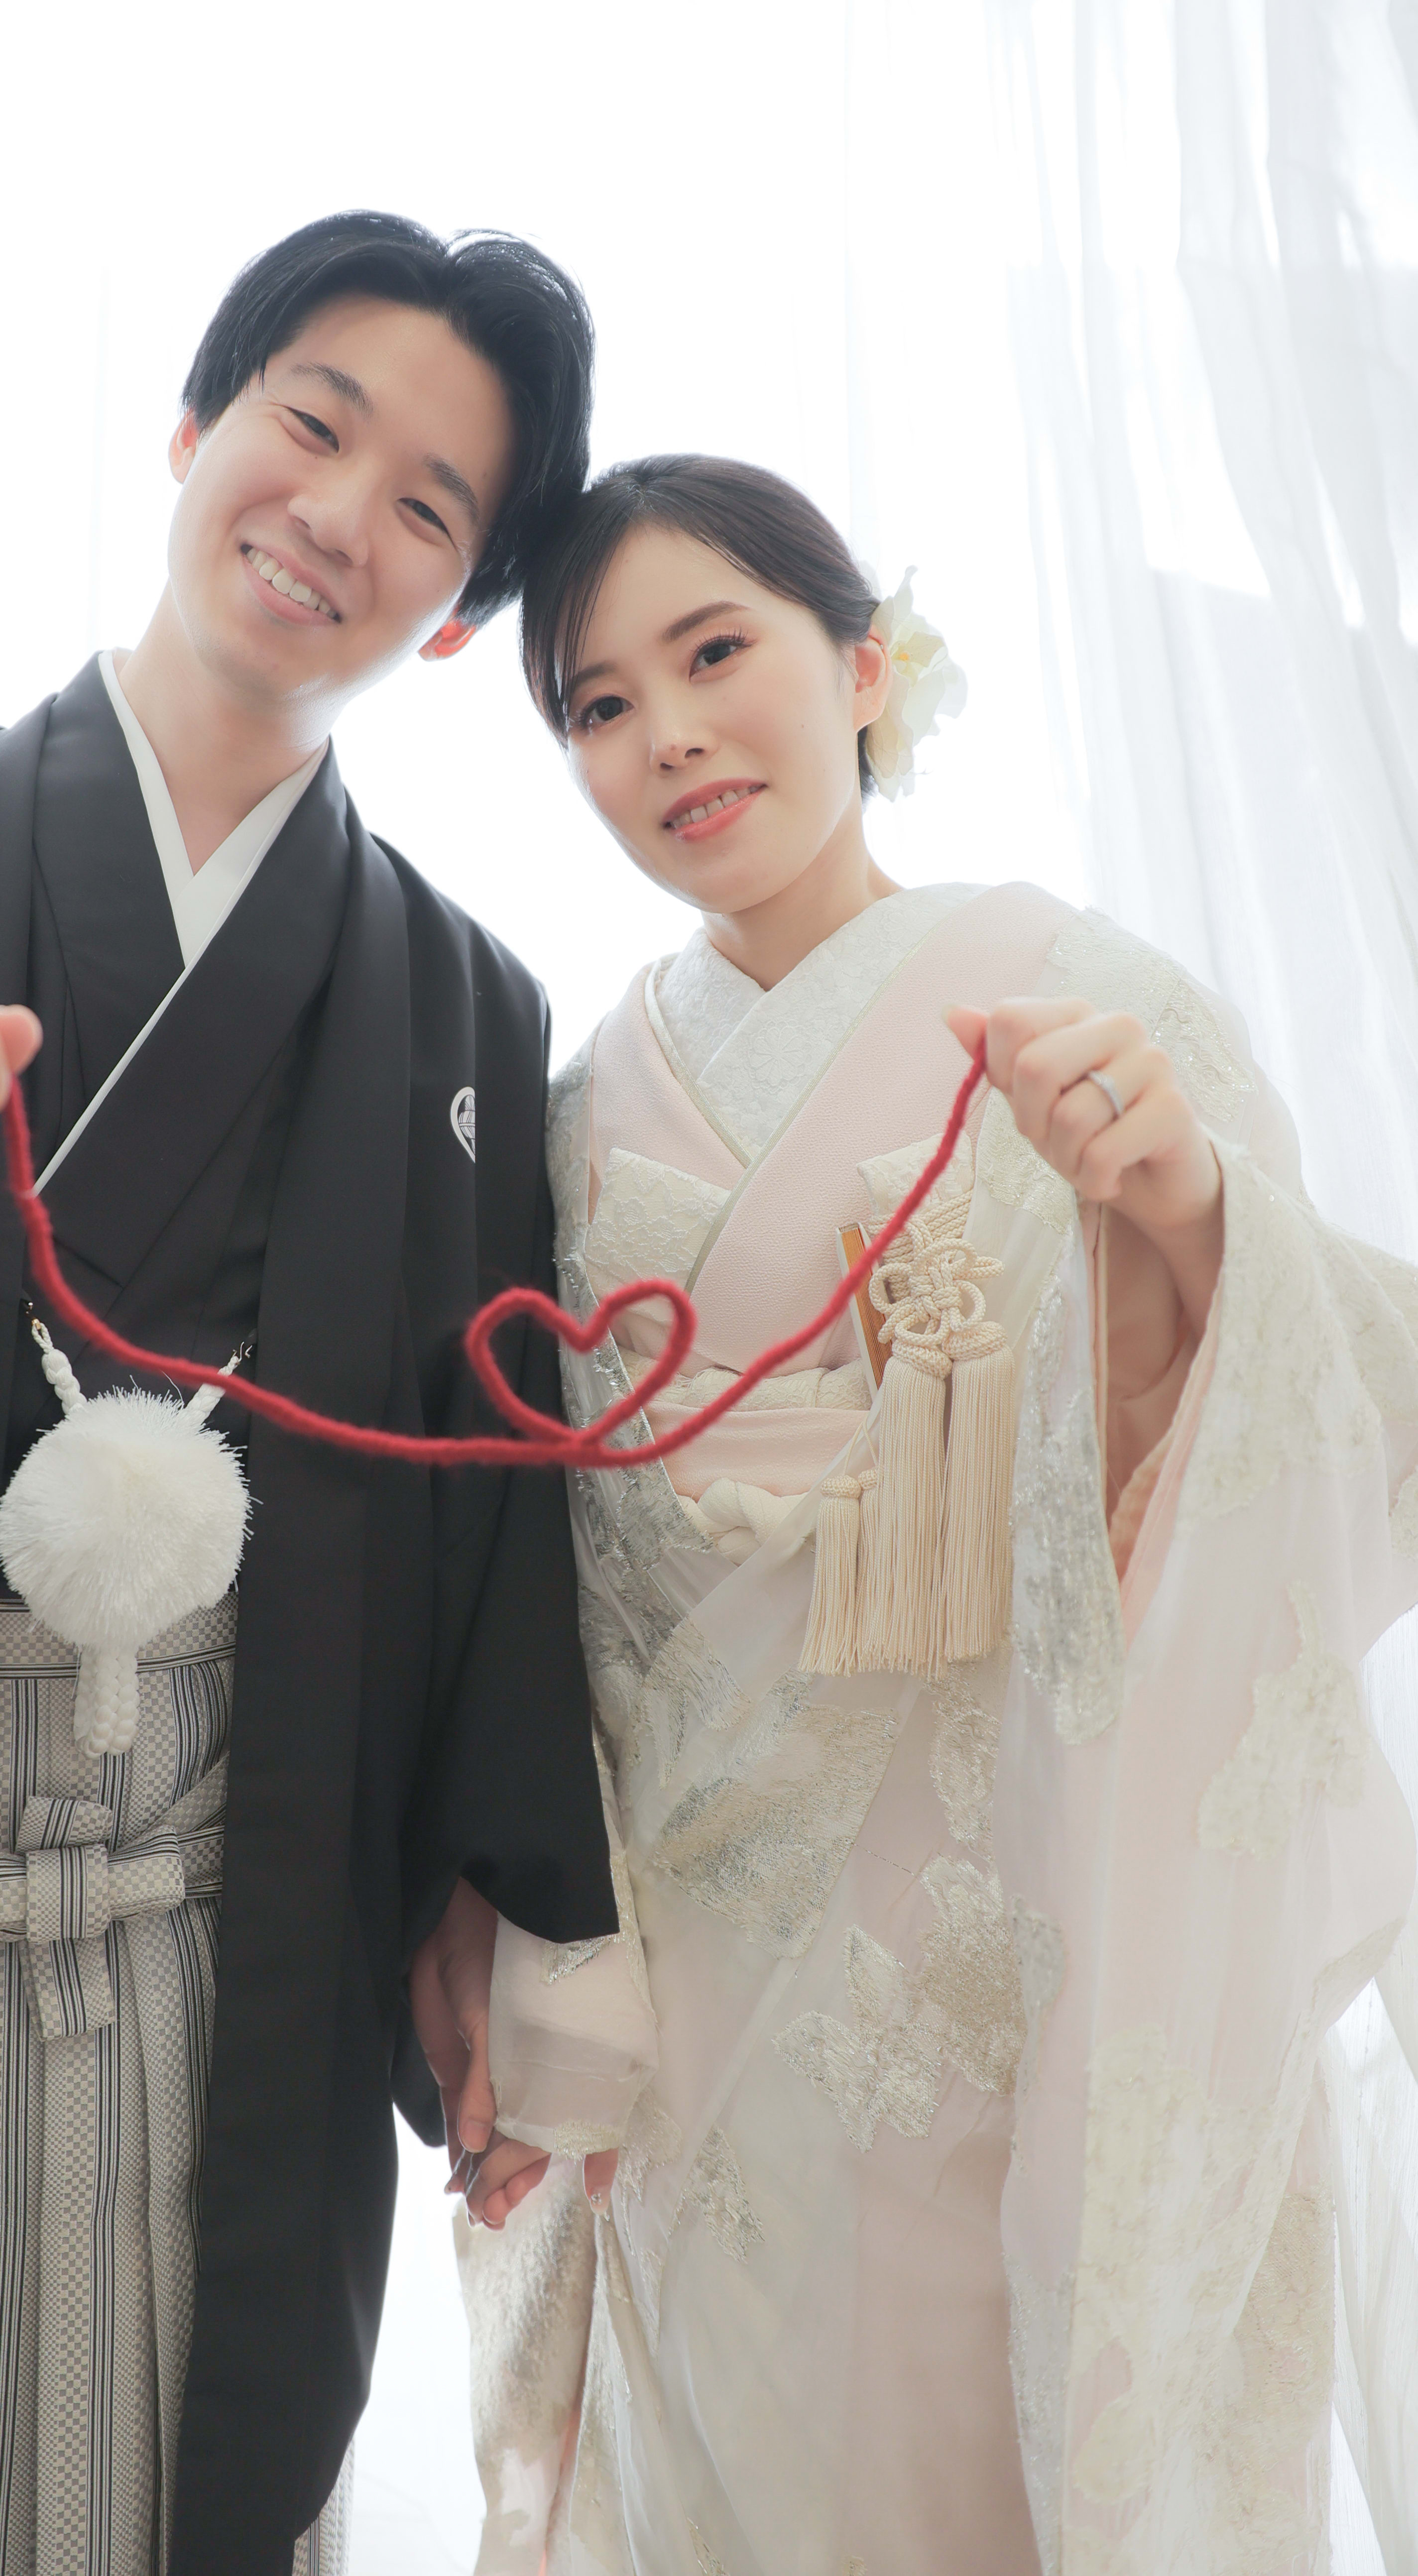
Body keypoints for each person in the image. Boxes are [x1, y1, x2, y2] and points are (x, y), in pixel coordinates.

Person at [0, 211, 621, 2576]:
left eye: (428, 507)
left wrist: (488, 1905)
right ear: (190, 429)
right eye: (311, 422)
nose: (339, 515)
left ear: (452, 614)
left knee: (179, 2484)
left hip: (235, 1952)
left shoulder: (466, 1013)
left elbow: (496, 1519)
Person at [455, 454, 1418, 2576]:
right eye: (600, 705)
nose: (668, 734)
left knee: (999, 2457)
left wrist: (1184, 1213)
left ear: (863, 666)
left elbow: (1329, 1402)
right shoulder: (577, 1103)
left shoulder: (1085, 995)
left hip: (996, 1925)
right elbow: (544, 1579)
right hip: (705, 1983)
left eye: (717, 652)